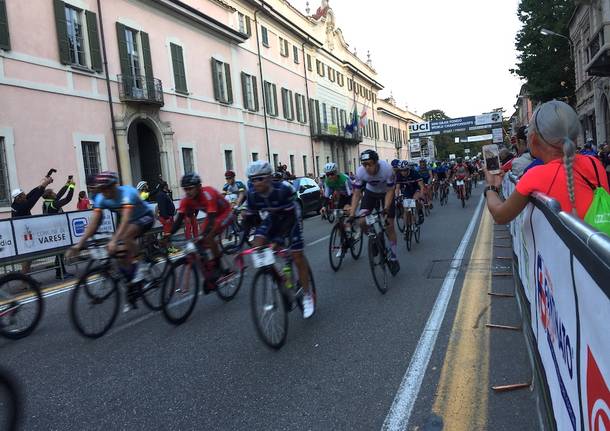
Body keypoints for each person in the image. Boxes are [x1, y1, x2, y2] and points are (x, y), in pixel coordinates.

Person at [485, 100, 609, 224]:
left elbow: (500, 215)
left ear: (533, 139)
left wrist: (491, 186)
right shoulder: (594, 163)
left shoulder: (535, 176)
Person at [67, 172, 156, 308]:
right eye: (101, 189)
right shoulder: (101, 198)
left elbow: (125, 219)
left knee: (125, 236)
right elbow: (94, 223)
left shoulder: (127, 193)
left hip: (145, 217)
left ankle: (142, 266)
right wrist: (79, 244)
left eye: (107, 188)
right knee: (120, 256)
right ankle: (132, 287)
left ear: (115, 186)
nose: (104, 192)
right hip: (130, 221)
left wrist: (114, 240)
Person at [242, 160, 315, 318]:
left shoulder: (283, 190)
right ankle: (275, 275)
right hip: (271, 218)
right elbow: (249, 219)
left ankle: (307, 295)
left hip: (290, 218)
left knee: (296, 255)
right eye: (252, 180)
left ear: (268, 178)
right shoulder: (252, 194)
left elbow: (289, 220)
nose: (256, 183)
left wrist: (278, 240)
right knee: (259, 245)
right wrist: (240, 244)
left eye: (260, 179)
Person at [167, 173, 234, 290]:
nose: (187, 192)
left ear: (199, 186)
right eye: (185, 189)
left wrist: (204, 235)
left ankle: (218, 265)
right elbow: (178, 220)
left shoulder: (208, 194)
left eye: (190, 188)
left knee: (208, 236)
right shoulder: (186, 200)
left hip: (225, 212)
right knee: (199, 241)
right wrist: (168, 234)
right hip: (212, 215)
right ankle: (209, 271)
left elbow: (213, 219)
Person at [348, 149, 399, 274]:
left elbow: (390, 191)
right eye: (364, 164)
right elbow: (356, 194)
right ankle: (373, 237)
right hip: (371, 194)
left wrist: (386, 208)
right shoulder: (360, 172)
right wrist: (352, 213)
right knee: (361, 221)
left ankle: (393, 255)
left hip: (386, 193)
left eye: (370, 164)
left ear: (377, 162)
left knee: (390, 225)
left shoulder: (387, 169)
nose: (367, 167)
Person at [42, 177, 76, 279]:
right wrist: (72, 187)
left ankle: (60, 272)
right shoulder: (53, 204)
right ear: (50, 195)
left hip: (52, 229)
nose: (55, 193)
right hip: (58, 230)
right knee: (60, 252)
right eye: (53, 193)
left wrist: (67, 184)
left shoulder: (47, 202)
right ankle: (61, 273)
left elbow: (60, 194)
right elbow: (67, 199)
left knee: (59, 252)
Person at [396, 161, 425, 227]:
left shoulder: (414, 173)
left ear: (408, 169)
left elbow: (421, 186)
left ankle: (420, 212)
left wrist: (421, 194)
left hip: (415, 189)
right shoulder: (399, 175)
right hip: (407, 190)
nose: (403, 172)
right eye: (401, 170)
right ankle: (406, 228)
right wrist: (397, 197)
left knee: (416, 200)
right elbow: (397, 188)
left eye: (405, 170)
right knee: (406, 209)